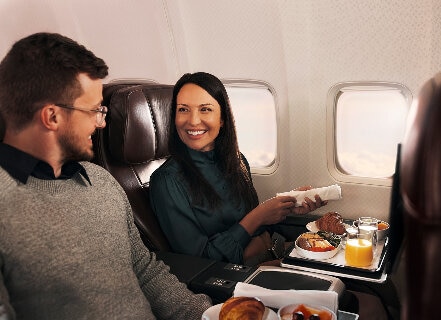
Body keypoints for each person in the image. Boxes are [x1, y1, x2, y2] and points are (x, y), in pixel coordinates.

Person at [0, 33, 212, 319]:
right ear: (52, 117)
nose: (101, 123)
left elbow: (145, 271)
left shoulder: (99, 181)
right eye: (94, 111)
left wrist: (209, 315)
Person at [149, 72, 327, 266]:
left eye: (205, 109)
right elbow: (198, 261)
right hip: (239, 273)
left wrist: (287, 205)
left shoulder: (236, 161)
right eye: (183, 109)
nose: (193, 120)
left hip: (275, 251)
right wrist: (258, 216)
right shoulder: (167, 181)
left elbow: (251, 224)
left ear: (222, 118)